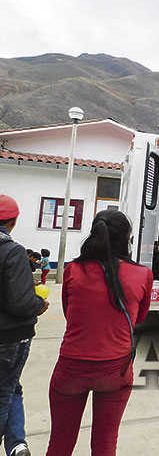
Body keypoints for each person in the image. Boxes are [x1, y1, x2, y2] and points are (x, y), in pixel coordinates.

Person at [46, 210, 153, 455]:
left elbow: (69, 314)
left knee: (60, 444)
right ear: (126, 238)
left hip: (71, 367)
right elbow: (139, 318)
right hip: (116, 370)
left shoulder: (73, 270)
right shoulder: (143, 275)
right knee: (105, 445)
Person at [0, 194, 50, 456]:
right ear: (14, 221)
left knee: (12, 387)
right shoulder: (12, 251)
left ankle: (16, 444)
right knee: (4, 392)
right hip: (10, 337)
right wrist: (39, 304)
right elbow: (21, 302)